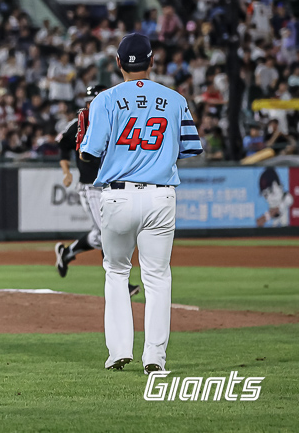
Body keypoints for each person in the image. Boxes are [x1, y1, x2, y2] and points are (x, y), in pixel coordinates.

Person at [80, 33, 202, 374]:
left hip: (117, 195)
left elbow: (89, 153)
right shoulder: (175, 99)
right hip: (160, 195)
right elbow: (191, 148)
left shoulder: (104, 100)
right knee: (157, 277)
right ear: (151, 62)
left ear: (118, 63)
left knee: (116, 272)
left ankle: (118, 350)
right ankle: (154, 357)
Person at [54, 84, 140, 298]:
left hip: (111, 186)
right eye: (90, 100)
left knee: (100, 235)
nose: (92, 103)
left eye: (96, 99)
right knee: (108, 233)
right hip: (90, 187)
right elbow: (62, 146)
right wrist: (66, 172)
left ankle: (66, 253)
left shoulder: (116, 122)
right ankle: (121, 284)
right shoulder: (78, 124)